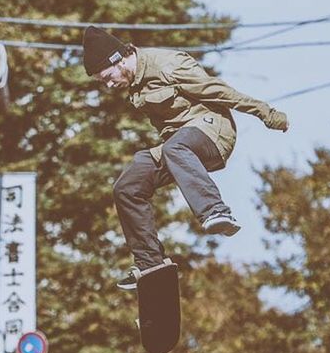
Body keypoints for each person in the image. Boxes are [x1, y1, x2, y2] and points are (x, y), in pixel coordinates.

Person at [83, 26, 289, 289]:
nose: (110, 85)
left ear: (118, 59)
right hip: (178, 145)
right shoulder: (134, 81)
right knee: (127, 185)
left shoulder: (168, 64)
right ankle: (150, 262)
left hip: (213, 132)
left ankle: (215, 211)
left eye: (108, 77)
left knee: (174, 148)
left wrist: (266, 113)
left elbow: (219, 91)